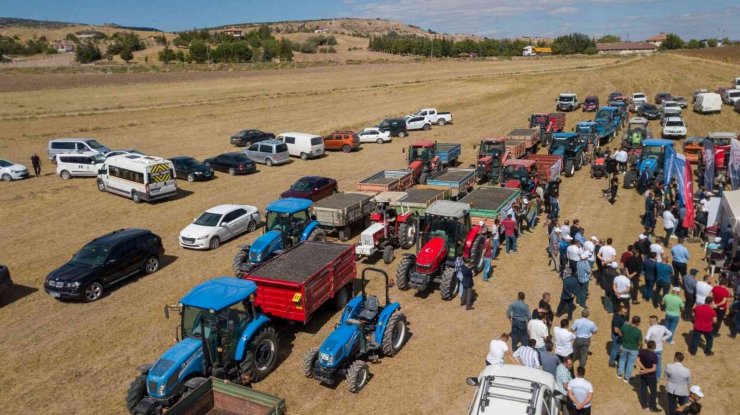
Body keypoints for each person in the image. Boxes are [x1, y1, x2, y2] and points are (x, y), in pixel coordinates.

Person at [636, 340, 661, 412]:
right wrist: (646, 370)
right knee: (653, 392)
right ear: (654, 347)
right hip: (651, 377)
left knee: (643, 389)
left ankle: (643, 405)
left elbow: (637, 360)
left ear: (647, 345)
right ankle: (653, 407)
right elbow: (654, 369)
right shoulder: (654, 356)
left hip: (643, 375)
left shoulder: (642, 351)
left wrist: (643, 369)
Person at [644, 315, 671, 379]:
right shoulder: (662, 327)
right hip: (659, 348)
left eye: (650, 321)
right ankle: (657, 377)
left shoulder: (651, 328)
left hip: (651, 349)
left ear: (652, 321)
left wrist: (647, 342)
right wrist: (664, 338)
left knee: (649, 362)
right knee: (658, 363)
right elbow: (670, 333)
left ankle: (649, 375)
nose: (649, 322)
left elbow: (647, 338)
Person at [617, 315, 643, 382]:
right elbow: (640, 343)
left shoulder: (625, 326)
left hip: (624, 346)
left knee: (622, 359)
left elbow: (619, 332)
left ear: (632, 320)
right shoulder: (638, 331)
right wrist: (641, 348)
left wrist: (623, 337)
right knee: (630, 363)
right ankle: (626, 378)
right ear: (638, 323)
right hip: (634, 349)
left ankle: (619, 374)